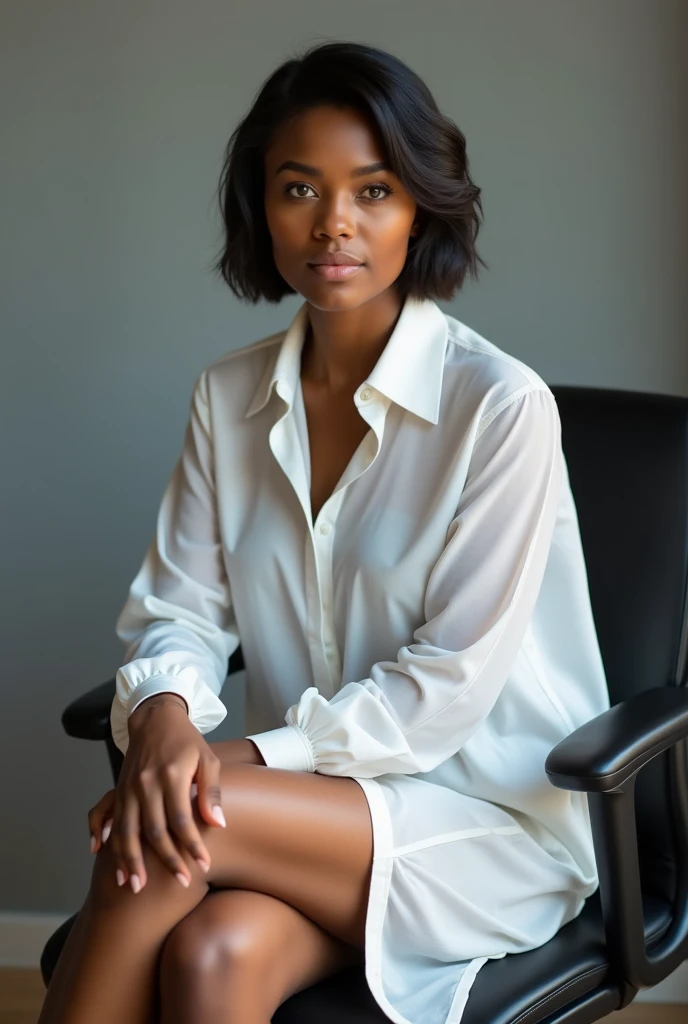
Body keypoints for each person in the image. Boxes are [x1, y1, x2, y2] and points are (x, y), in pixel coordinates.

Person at [39, 39, 610, 1024]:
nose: (333, 224)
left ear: (419, 204)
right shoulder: (227, 397)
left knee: (182, 820)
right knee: (218, 953)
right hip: (309, 815)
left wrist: (226, 763)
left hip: (488, 819)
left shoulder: (499, 408)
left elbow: (441, 694)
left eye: (373, 190)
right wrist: (167, 722)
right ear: (259, 206)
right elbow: (179, 609)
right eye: (298, 187)